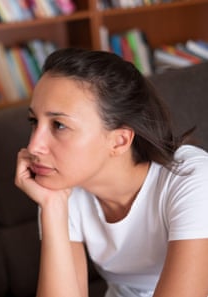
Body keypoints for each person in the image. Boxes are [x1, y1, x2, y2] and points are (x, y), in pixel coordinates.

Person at [15, 48, 208, 297]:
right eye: (34, 122)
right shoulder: (60, 188)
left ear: (119, 141)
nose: (33, 147)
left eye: (59, 125)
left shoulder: (191, 179)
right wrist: (52, 206)